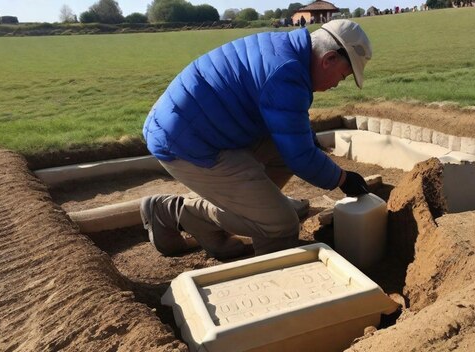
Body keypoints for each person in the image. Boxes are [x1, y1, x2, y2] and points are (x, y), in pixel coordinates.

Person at [140, 19, 372, 260]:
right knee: (282, 224)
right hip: (186, 142)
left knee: (283, 159)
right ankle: (175, 212)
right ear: (329, 59)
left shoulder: (287, 50)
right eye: (342, 77)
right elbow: (300, 156)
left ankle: (256, 211)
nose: (336, 84)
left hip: (203, 127)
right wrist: (342, 178)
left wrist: (309, 139)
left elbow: (286, 123)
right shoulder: (287, 73)